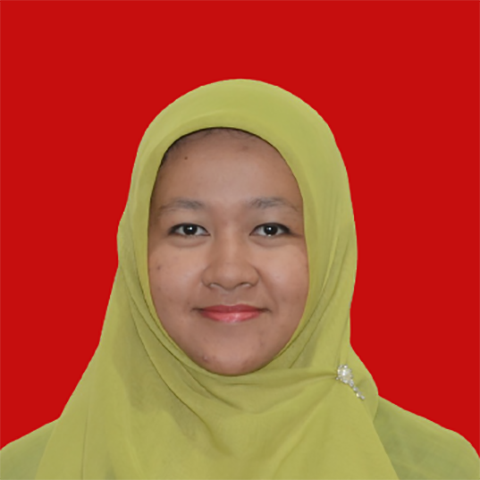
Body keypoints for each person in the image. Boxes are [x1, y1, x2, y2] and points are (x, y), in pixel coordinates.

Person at [0, 79, 478, 480]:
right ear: (136, 252)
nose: (228, 273)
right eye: (189, 229)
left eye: (270, 229)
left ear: (329, 248)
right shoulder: (29, 470)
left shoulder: (436, 470)